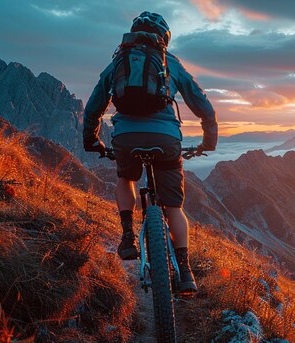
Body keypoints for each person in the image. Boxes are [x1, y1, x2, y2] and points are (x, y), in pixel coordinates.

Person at [83, 11, 217, 294]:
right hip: (166, 139)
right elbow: (202, 105)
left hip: (126, 138)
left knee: (126, 179)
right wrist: (208, 142)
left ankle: (128, 237)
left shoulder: (117, 62)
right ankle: (185, 272)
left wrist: (93, 142)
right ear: (164, 39)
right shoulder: (171, 63)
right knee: (174, 207)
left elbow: (93, 107)